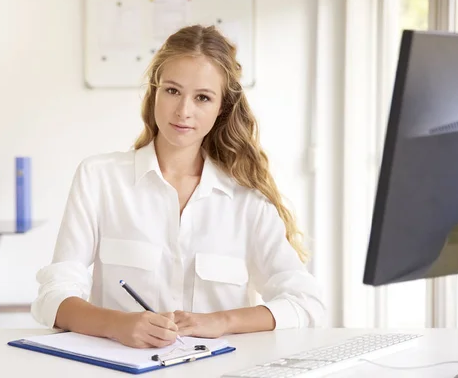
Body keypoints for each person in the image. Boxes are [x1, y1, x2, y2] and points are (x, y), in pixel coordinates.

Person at [31, 24, 325, 349]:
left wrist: (221, 321)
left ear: (221, 109)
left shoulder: (247, 200)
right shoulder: (99, 177)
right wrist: (117, 325)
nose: (184, 111)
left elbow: (306, 303)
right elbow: (53, 297)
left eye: (202, 98)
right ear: (154, 92)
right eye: (172, 91)